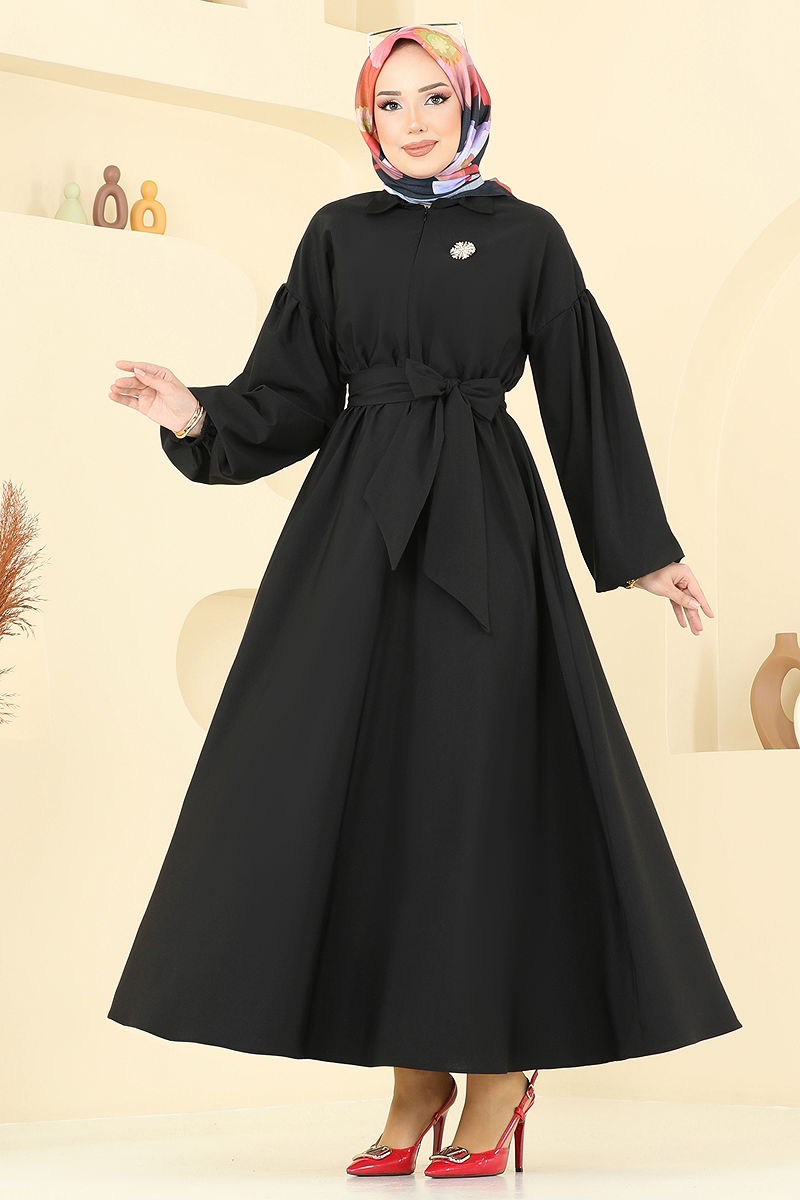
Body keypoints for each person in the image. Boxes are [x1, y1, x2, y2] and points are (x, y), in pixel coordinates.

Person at [106, 23, 742, 1180]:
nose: (410, 120)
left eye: (431, 97)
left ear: (469, 106)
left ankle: (495, 1073)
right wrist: (195, 413)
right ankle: (413, 1080)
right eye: (389, 102)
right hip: (354, 537)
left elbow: (582, 394)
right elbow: (295, 394)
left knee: (476, 790)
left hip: (482, 528)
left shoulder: (526, 237)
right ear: (368, 119)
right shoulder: (336, 234)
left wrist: (641, 551)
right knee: (366, 792)